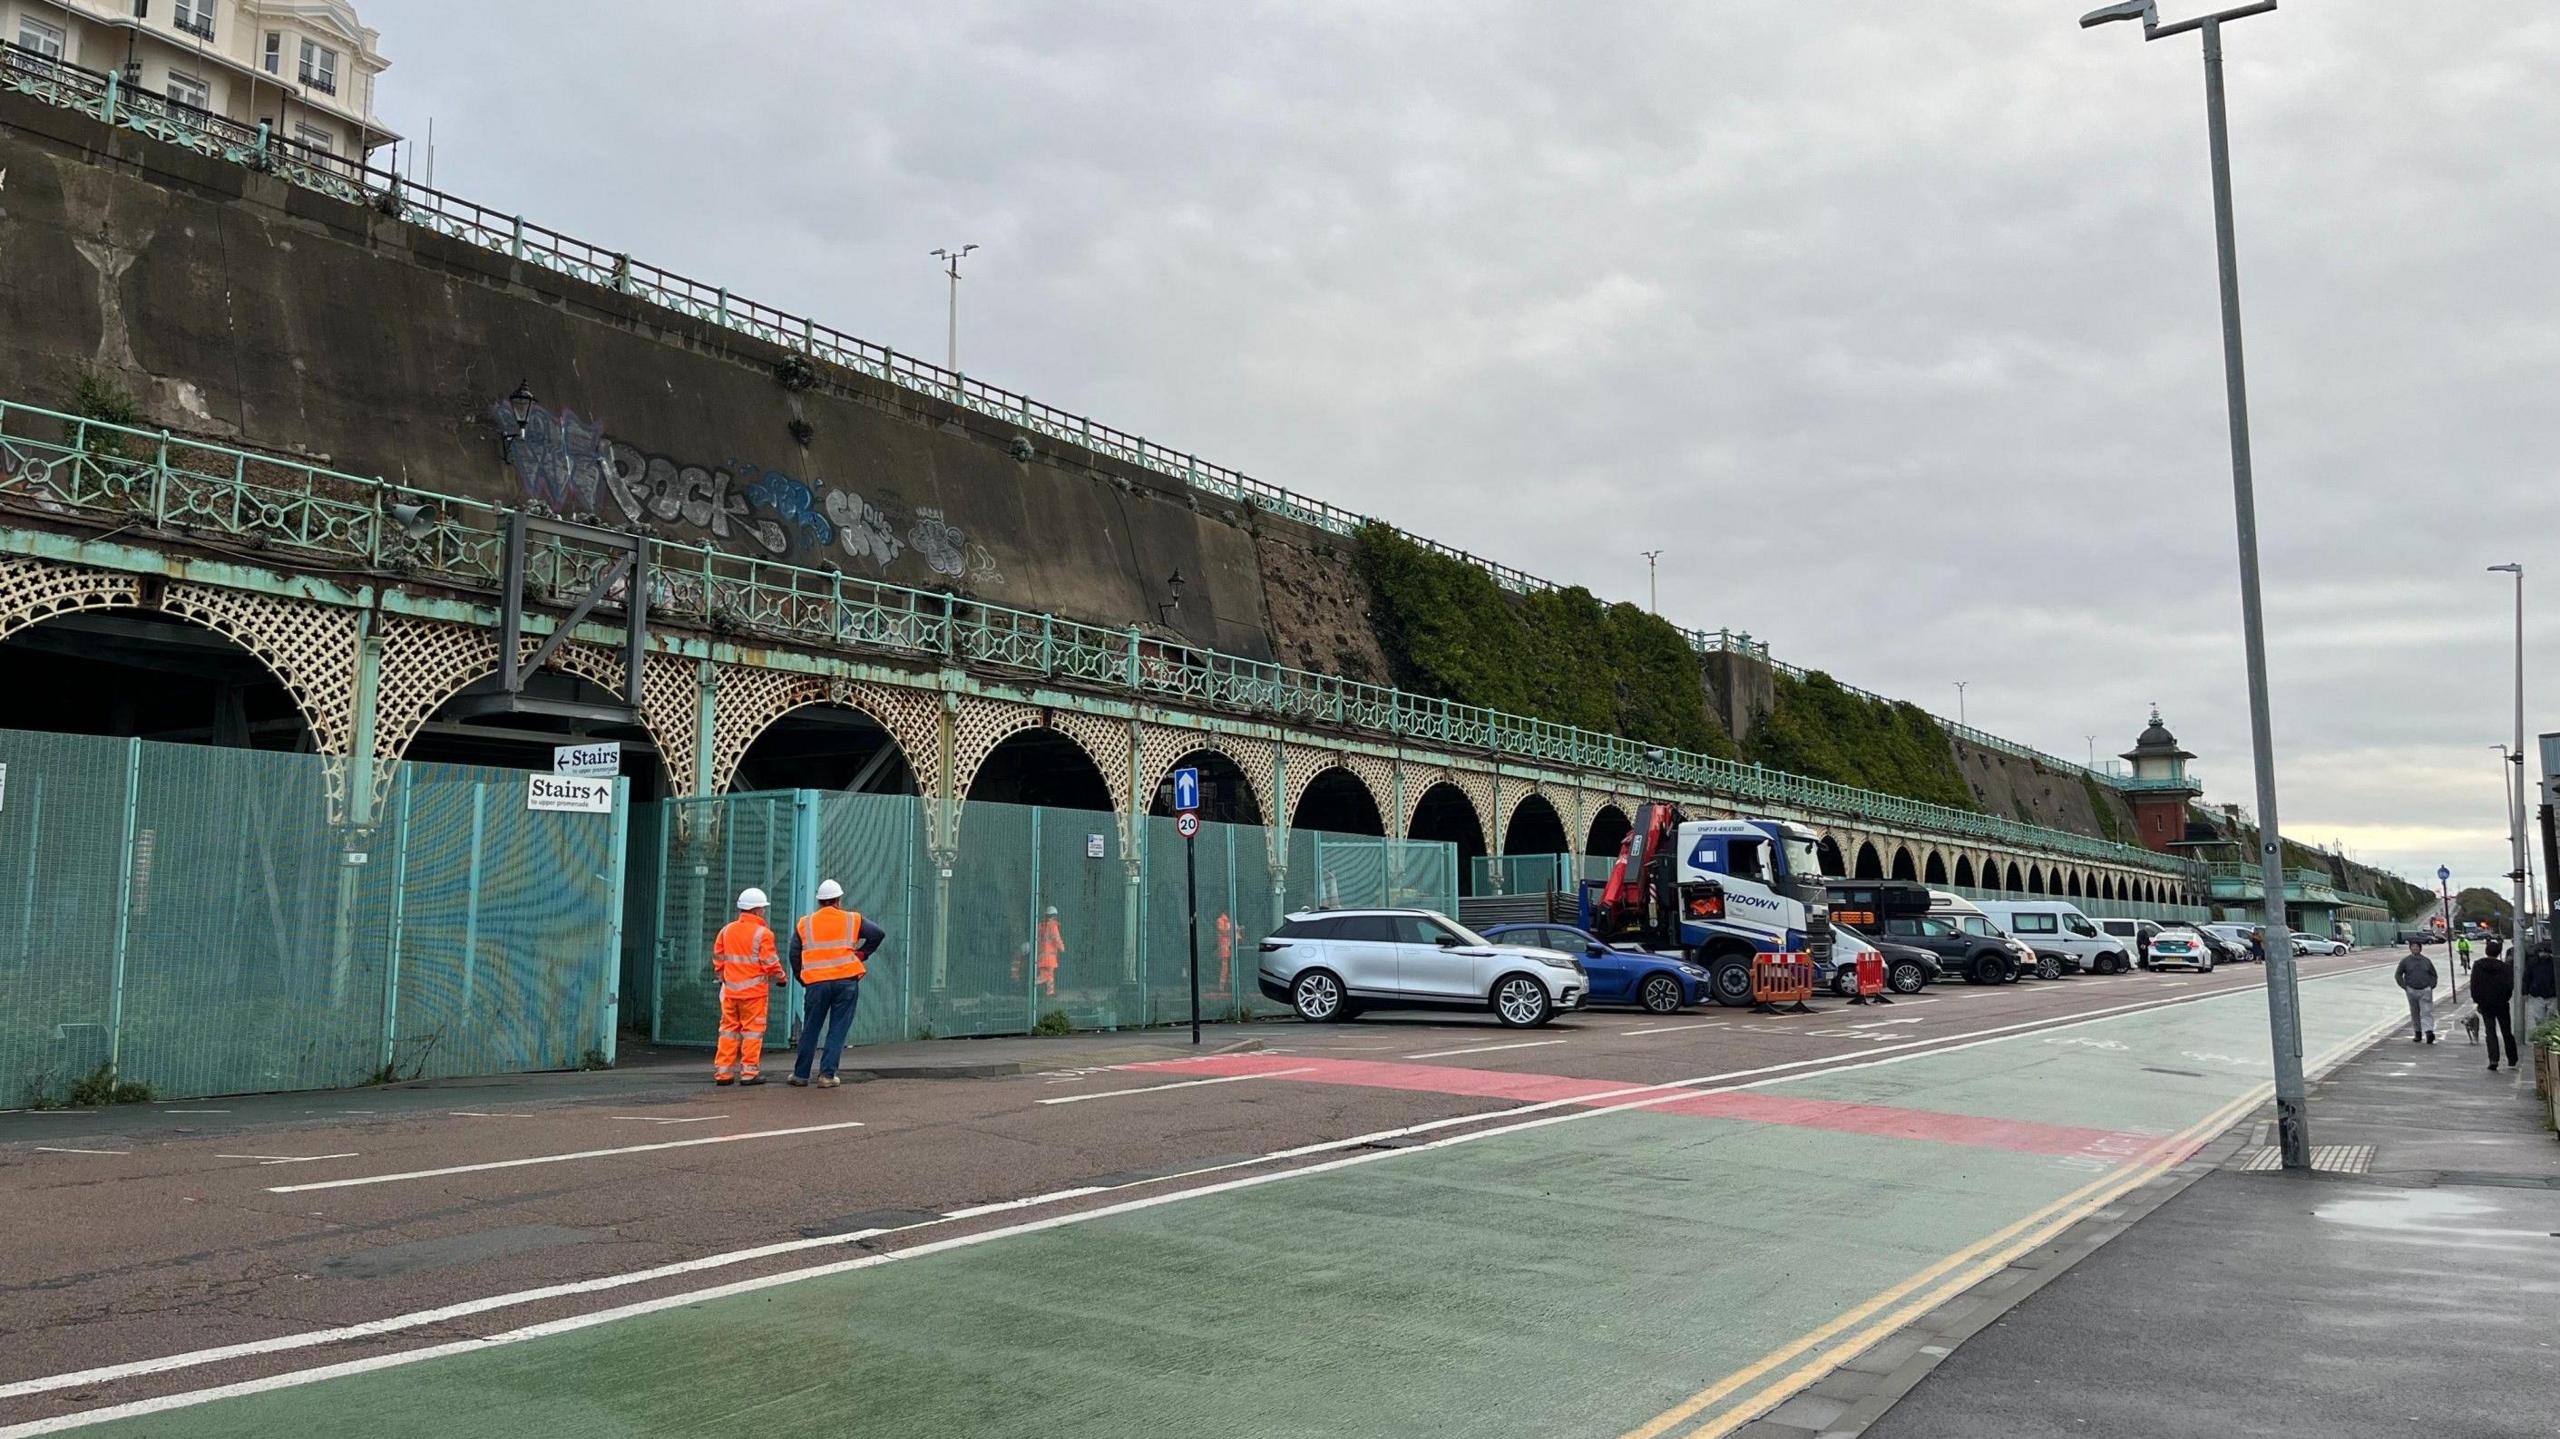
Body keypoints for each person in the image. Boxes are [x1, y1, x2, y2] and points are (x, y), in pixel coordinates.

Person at [789, 879, 886, 1089]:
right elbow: (877, 934)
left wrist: (803, 978)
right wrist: (862, 954)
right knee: (837, 1029)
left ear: (819, 902)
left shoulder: (805, 923)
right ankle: (827, 1075)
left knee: (811, 1028)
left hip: (816, 983)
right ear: (838, 901)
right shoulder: (852, 919)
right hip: (846, 981)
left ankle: (800, 1074)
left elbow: (794, 954)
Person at [712, 887, 785, 1086]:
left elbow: (718, 959)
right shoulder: (763, 934)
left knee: (728, 1031)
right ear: (757, 910)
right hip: (754, 994)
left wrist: (723, 977)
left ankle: (723, 1073)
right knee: (752, 1032)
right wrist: (781, 977)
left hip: (730, 992)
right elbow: (770, 962)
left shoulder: (726, 931)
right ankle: (749, 1073)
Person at [2471, 941, 2517, 1072]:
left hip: (2486, 1003)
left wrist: (2477, 1001)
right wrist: (2505, 998)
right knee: (2506, 1031)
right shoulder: (2505, 967)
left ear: (2486, 951)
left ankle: (2493, 1059)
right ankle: (2512, 1058)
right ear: (2498, 952)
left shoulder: (2478, 965)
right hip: (2502, 1003)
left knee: (2490, 1031)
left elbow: (2474, 985)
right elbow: (2509, 985)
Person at [2395, 937, 2439, 1045]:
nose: (2415, 949)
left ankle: (2429, 1032)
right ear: (2410, 949)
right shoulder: (2405, 961)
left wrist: (2431, 986)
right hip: (2411, 990)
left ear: (2420, 949)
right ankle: (2418, 1033)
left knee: (2426, 1012)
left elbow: (2434, 975)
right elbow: (2398, 974)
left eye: (2417, 947)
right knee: (2415, 1012)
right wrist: (2405, 987)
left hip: (2425, 990)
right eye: (2413, 947)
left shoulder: (2426, 961)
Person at [1036, 906, 1064, 997]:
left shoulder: (1040, 926)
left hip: (1041, 955)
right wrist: (1062, 948)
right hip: (1050, 956)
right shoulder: (1053, 926)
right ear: (1054, 916)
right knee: (1047, 975)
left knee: (1049, 974)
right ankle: (1034, 982)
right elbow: (1057, 938)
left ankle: (1050, 992)